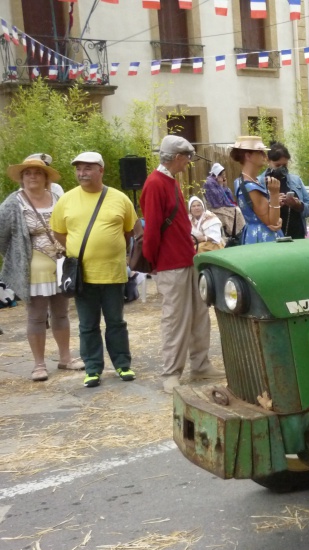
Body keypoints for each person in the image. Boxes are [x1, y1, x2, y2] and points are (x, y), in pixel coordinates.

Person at [140, 135, 223, 394]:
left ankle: (199, 365)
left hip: (186, 258)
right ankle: (171, 372)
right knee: (175, 318)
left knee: (199, 314)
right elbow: (152, 228)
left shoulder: (168, 181)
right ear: (177, 157)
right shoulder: (155, 183)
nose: (188, 163)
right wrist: (152, 260)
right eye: (187, 157)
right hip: (170, 263)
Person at [50, 152, 136, 388]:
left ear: (101, 170)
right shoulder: (66, 200)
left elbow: (130, 231)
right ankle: (92, 368)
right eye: (78, 169)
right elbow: (58, 231)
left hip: (113, 272)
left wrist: (111, 248)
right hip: (82, 275)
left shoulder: (119, 199)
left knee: (116, 322)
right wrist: (78, 250)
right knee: (88, 324)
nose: (82, 173)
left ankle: (122, 365)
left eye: (87, 168)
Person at [0, 156, 82, 381]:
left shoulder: (58, 197)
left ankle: (65, 358)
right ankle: (39, 364)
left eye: (37, 173)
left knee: (61, 313)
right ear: (21, 178)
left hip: (60, 264)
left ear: (46, 178)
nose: (32, 176)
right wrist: (17, 257)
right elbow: (1, 235)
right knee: (36, 316)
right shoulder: (13, 203)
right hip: (34, 268)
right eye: (27, 173)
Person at [230, 136, 283, 244]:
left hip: (252, 233)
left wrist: (277, 218)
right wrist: (274, 194)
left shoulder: (241, 181)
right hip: (262, 237)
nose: (264, 155)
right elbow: (272, 221)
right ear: (248, 156)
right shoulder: (250, 186)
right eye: (260, 152)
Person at [260, 142, 309, 240]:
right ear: (268, 161)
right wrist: (273, 203)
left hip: (297, 235)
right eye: (277, 165)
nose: (282, 169)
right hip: (272, 236)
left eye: (285, 165)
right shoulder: (259, 182)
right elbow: (256, 212)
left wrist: (299, 206)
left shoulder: (296, 180)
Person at [203, 163, 243, 242]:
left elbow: (229, 197)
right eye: (223, 174)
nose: (224, 176)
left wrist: (225, 186)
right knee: (235, 212)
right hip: (215, 207)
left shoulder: (217, 181)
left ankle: (238, 233)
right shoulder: (209, 183)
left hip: (222, 206)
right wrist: (221, 185)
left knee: (237, 210)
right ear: (218, 174)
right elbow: (218, 200)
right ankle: (234, 234)